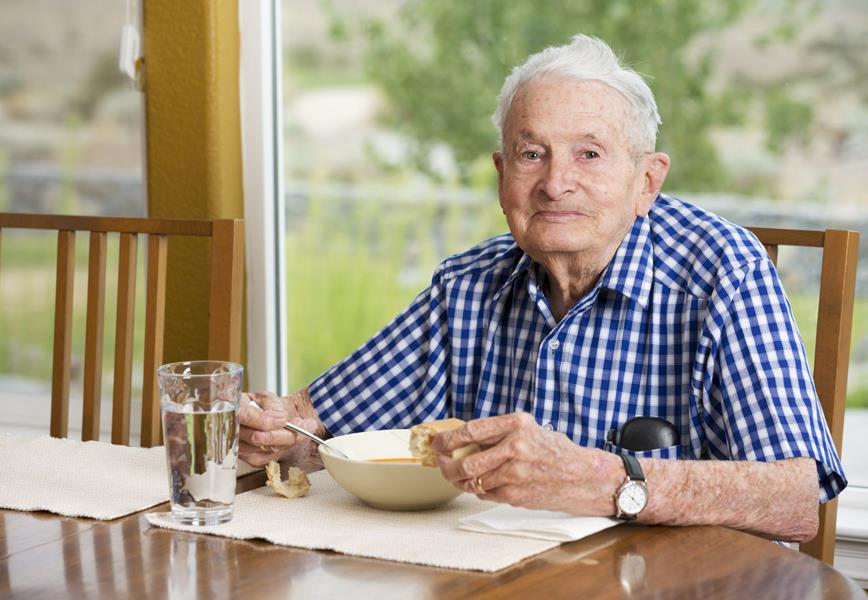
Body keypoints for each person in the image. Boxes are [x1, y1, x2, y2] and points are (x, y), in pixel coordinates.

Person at [240, 34, 844, 542]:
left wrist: (604, 480)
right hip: (495, 577)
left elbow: (796, 498)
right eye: (532, 154)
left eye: (589, 154)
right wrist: (272, 431)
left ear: (646, 182)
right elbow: (317, 427)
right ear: (502, 175)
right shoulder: (468, 285)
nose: (557, 184)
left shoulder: (724, 272)